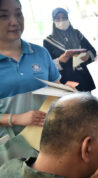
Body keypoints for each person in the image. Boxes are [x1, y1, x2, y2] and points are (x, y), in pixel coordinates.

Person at [0, 0, 61, 164]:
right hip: (11, 148)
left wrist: (66, 93)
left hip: (49, 139)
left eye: (18, 13)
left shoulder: (40, 53)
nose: (14, 21)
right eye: (4, 15)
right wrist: (16, 118)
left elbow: (57, 91)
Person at [43, 8, 96, 92]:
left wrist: (88, 55)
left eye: (64, 17)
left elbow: (92, 51)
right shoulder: (48, 41)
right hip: (65, 82)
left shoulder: (77, 34)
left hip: (83, 78)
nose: (62, 20)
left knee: (87, 103)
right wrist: (59, 60)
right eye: (58, 18)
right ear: (53, 20)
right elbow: (47, 66)